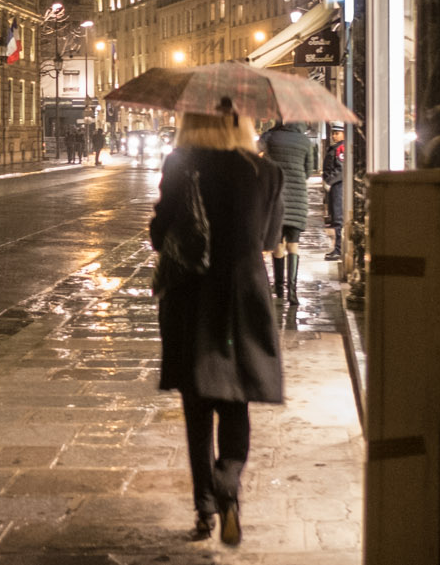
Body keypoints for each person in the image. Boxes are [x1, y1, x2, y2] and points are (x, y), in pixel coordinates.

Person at [150, 101, 284, 545]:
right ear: (240, 121)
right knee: (235, 399)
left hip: (191, 296)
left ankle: (205, 507)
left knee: (196, 406)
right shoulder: (264, 172)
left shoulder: (182, 164)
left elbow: (159, 235)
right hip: (244, 297)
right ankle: (229, 477)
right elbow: (267, 238)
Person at [260, 120, 319, 305]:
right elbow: (308, 171)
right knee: (293, 244)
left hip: (276, 195)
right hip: (298, 197)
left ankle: (278, 288)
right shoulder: (304, 141)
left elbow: (261, 161)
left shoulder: (270, 137)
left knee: (277, 244)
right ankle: (292, 292)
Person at [322, 127, 346, 260]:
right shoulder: (336, 147)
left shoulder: (341, 148)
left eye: (337, 133)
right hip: (335, 186)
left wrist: (329, 181)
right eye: (333, 133)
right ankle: (338, 249)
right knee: (336, 218)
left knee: (338, 219)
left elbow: (340, 169)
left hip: (338, 186)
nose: (334, 136)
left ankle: (338, 249)